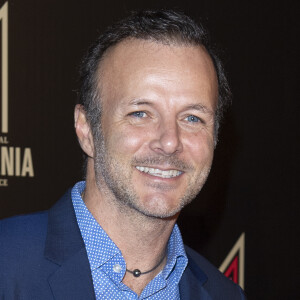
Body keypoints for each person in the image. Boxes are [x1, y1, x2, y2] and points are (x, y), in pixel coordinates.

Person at [0, 9, 246, 299]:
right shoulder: (6, 263)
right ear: (86, 129)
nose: (169, 142)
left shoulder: (225, 295)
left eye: (192, 118)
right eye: (140, 113)